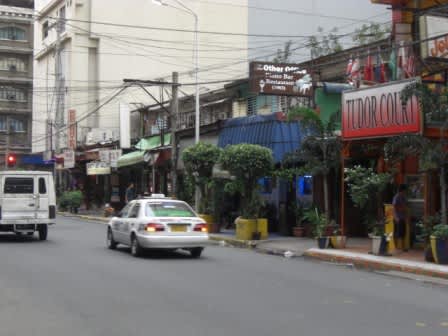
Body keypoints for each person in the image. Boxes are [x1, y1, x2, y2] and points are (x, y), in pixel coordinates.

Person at [393, 184, 408, 251]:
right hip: (398, 217)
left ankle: (403, 247)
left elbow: (405, 206)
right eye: (405, 190)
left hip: (402, 217)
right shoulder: (397, 197)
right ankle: (396, 247)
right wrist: (396, 217)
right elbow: (394, 206)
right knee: (398, 233)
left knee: (403, 232)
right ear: (403, 190)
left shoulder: (403, 197)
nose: (405, 191)